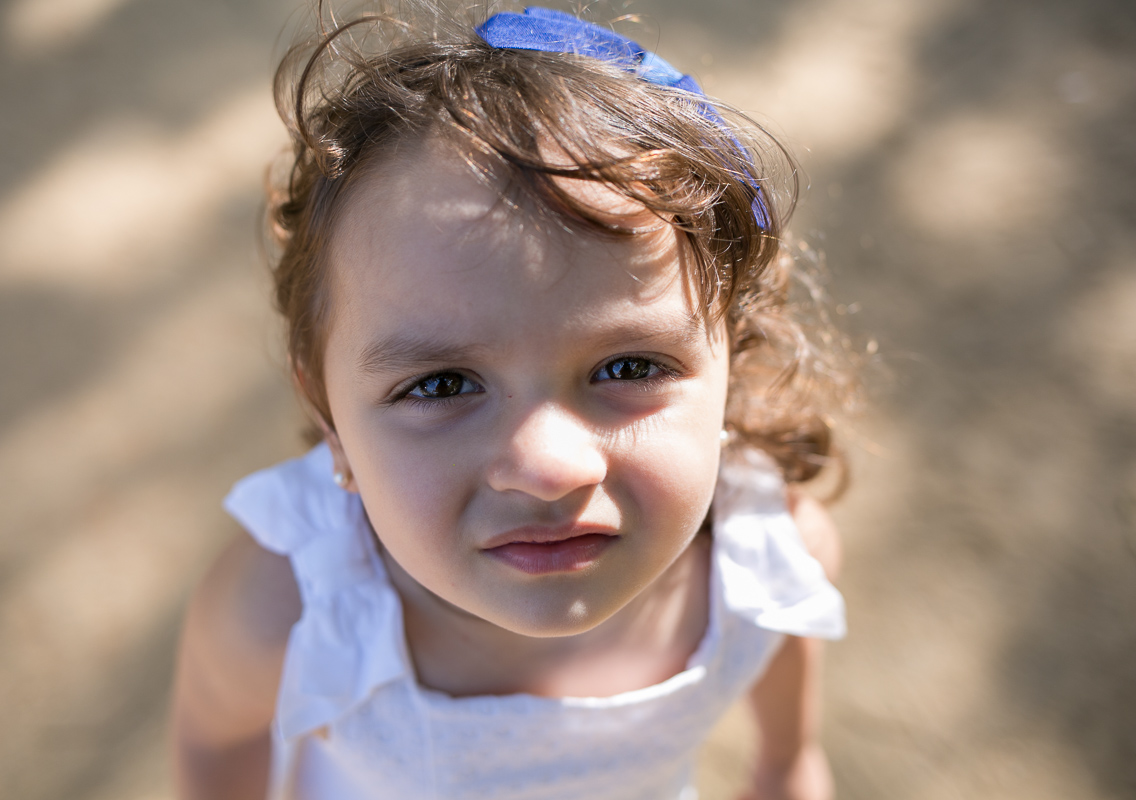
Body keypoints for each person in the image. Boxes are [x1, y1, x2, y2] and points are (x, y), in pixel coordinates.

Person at [171, 3, 855, 799]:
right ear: (331, 421)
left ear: (730, 362)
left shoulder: (772, 566)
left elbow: (786, 762)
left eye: (630, 366)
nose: (548, 466)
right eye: (440, 384)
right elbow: (217, 750)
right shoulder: (285, 609)